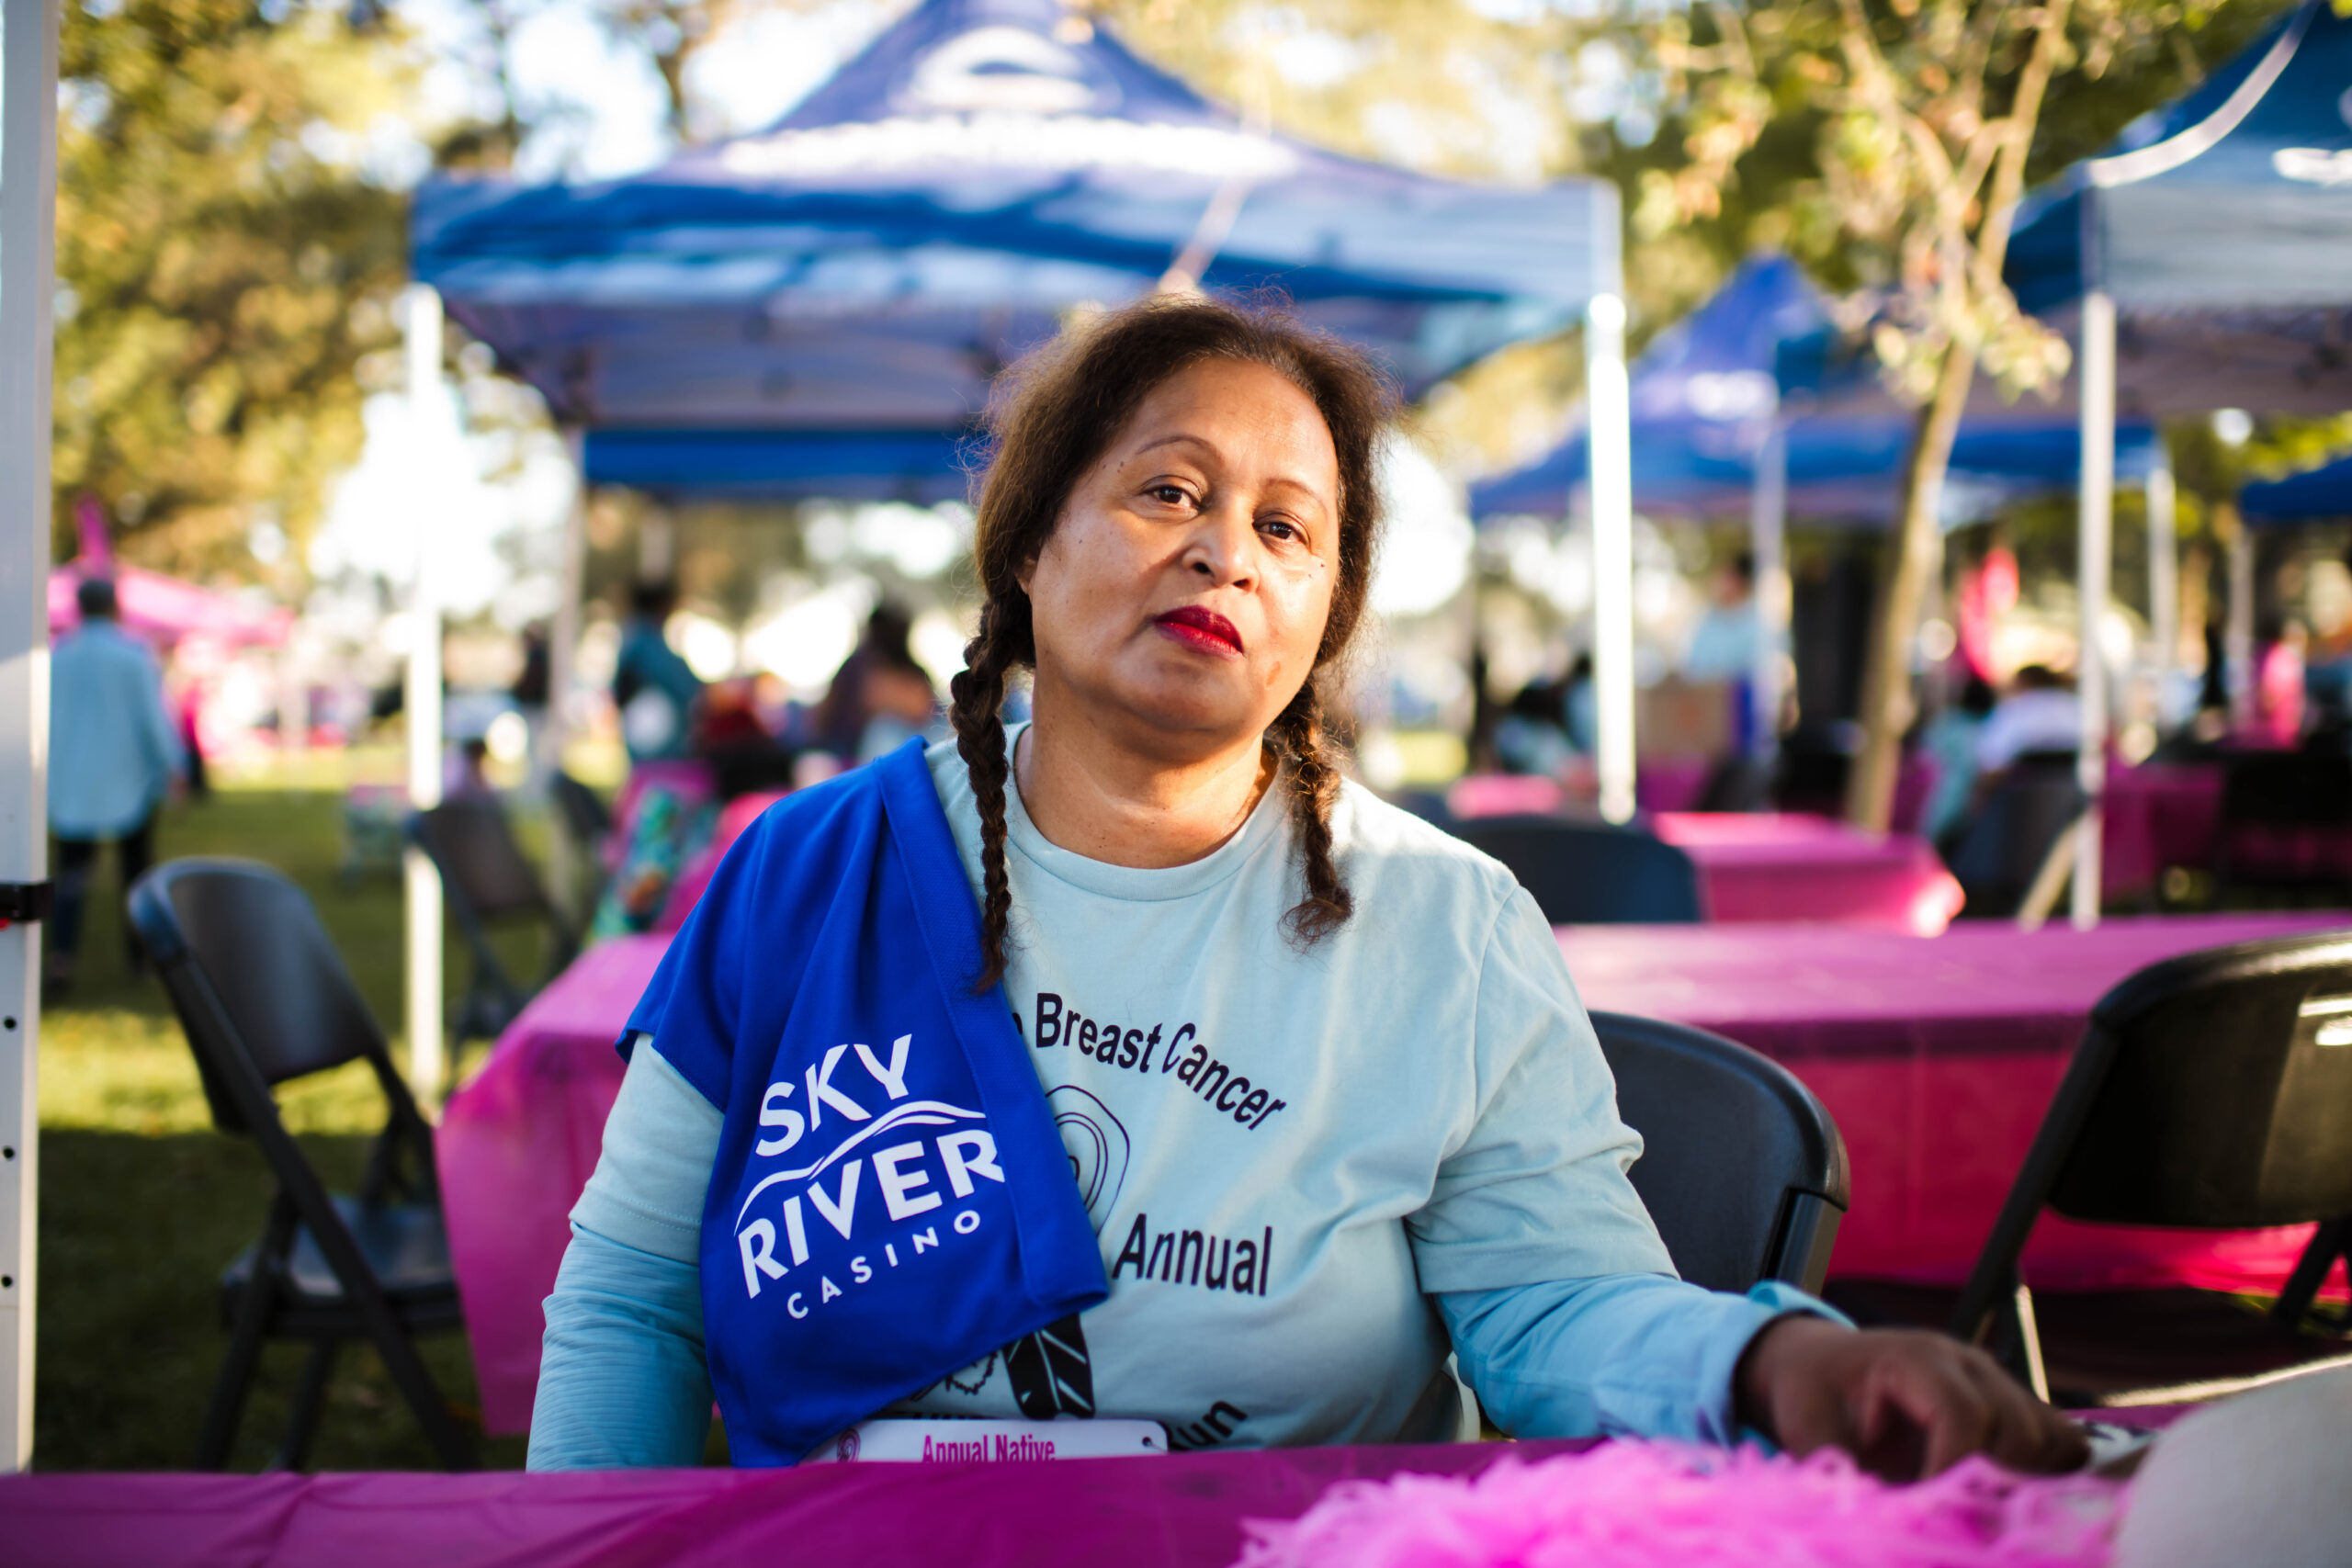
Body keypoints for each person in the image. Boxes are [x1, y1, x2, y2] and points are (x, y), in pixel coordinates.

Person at [529, 297, 2085, 1477]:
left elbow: (1550, 1308)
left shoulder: (1448, 927)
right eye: (1168, 491)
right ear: (1028, 546)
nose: (1229, 552)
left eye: (1288, 526)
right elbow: (633, 1298)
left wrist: (1770, 1366)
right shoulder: (810, 871)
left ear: (1323, 620)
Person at [48, 578, 183, 992]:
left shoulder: (58, 655)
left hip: (72, 783)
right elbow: (154, 718)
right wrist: (174, 766)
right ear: (114, 607)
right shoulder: (133, 654)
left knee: (71, 876)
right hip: (130, 780)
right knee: (136, 877)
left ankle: (61, 958)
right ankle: (141, 958)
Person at [613, 581, 704, 763]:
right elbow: (678, 682)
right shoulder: (645, 640)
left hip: (648, 735)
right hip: (658, 738)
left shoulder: (633, 636)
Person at [1973, 665, 2081, 776]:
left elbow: (1991, 762)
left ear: (2022, 683)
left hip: (2021, 783)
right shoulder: (2074, 705)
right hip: (2073, 781)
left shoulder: (2012, 710)